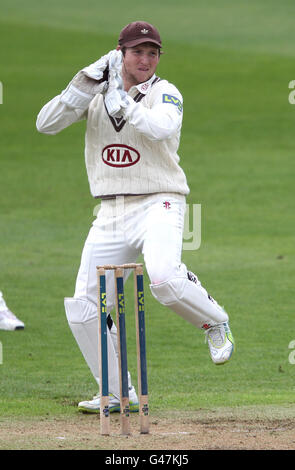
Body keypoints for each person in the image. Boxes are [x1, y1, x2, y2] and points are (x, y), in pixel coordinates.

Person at [36, 21, 235, 414]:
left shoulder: (166, 93)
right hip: (109, 209)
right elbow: (45, 124)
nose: (145, 60)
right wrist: (81, 86)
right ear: (120, 53)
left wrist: (123, 102)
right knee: (84, 306)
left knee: (162, 278)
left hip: (159, 201)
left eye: (152, 53)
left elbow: (160, 129)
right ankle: (115, 390)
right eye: (137, 52)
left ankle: (215, 322)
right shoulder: (95, 96)